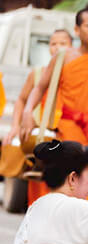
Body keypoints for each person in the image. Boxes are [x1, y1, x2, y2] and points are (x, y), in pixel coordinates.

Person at [21, 6, 88, 205]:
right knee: (66, 188)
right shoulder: (62, 57)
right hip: (69, 133)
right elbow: (40, 87)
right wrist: (27, 111)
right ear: (77, 30)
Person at [4, 29, 72, 205]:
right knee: (40, 194)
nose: (57, 48)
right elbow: (21, 99)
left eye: (62, 43)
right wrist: (16, 125)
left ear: (72, 47)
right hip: (42, 137)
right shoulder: (38, 73)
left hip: (68, 134)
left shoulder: (76, 73)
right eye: (53, 44)